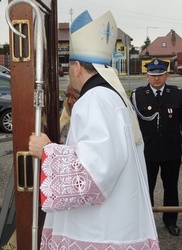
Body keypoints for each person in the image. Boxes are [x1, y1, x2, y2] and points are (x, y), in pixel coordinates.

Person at [28, 10, 159, 249]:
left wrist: (46, 151)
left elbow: (95, 171)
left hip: (99, 229)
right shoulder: (112, 96)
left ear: (77, 67)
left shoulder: (94, 100)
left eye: (69, 69)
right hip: (116, 219)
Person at [131, 58, 182, 236]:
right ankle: (147, 221)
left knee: (171, 186)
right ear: (147, 75)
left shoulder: (176, 93)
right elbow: (132, 124)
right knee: (147, 187)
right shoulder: (138, 95)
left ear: (166, 75)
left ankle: (171, 221)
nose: (156, 79)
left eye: (160, 75)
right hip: (147, 151)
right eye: (152, 75)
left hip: (171, 150)